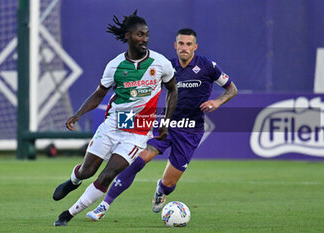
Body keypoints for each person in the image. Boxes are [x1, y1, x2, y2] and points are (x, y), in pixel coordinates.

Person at [86, 28, 238, 221]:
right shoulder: (166, 66)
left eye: (188, 44)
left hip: (191, 131)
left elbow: (232, 89)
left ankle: (161, 190)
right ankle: (103, 206)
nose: (184, 48)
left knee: (169, 183)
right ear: (175, 46)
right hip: (166, 125)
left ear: (195, 47)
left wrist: (218, 102)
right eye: (181, 44)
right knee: (138, 160)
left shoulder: (207, 66)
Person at [52, 10, 177, 226]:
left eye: (146, 34)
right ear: (128, 36)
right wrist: (78, 114)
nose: (144, 39)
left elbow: (173, 91)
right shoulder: (116, 65)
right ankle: (74, 179)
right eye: (139, 35)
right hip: (115, 123)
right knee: (87, 171)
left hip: (138, 131)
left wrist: (165, 122)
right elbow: (99, 94)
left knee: (107, 175)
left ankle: (68, 214)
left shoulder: (161, 63)